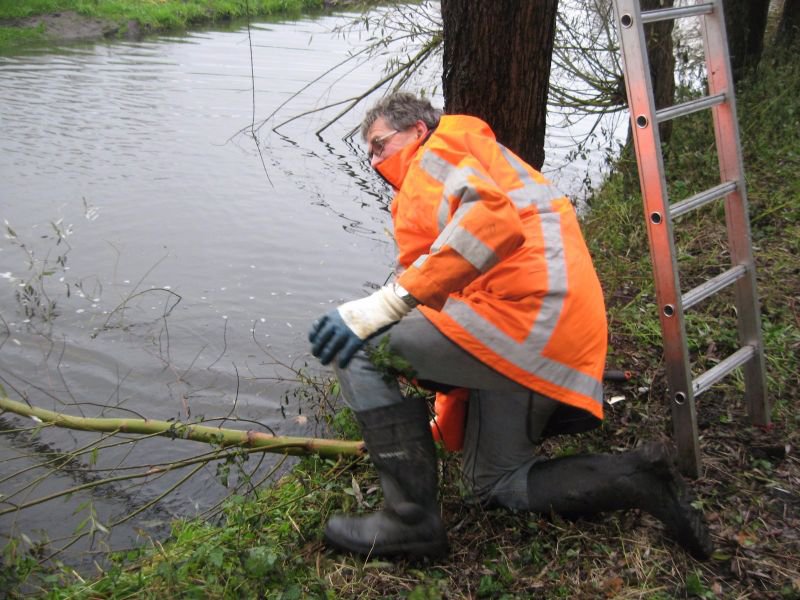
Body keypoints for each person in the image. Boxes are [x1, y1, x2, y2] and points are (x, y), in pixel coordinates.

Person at [308, 92, 712, 561]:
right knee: (492, 484)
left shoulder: (432, 157)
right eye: (370, 153)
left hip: (526, 324)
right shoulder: (472, 153)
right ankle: (640, 478)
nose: (376, 160)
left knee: (361, 345)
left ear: (417, 130)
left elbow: (491, 222)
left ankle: (409, 521)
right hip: (550, 331)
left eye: (380, 145)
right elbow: (451, 291)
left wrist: (381, 306)